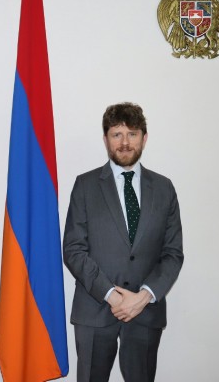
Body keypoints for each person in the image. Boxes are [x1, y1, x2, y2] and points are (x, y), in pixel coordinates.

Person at [63, 103, 184, 382]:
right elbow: (73, 249)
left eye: (132, 133)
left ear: (144, 137)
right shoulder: (85, 185)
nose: (125, 142)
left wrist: (143, 297)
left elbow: (172, 253)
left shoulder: (164, 188)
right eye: (117, 134)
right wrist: (111, 295)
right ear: (105, 139)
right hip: (94, 311)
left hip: (145, 312)